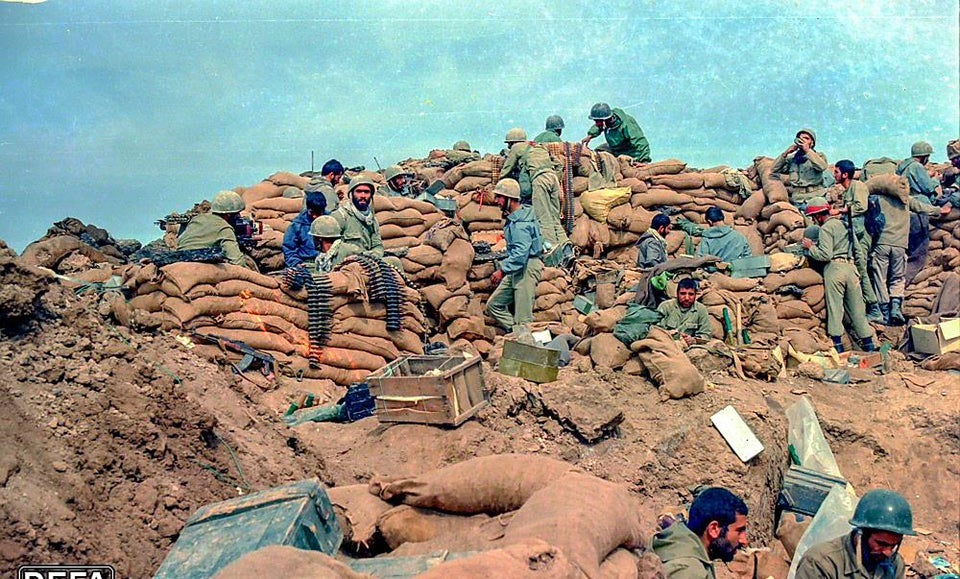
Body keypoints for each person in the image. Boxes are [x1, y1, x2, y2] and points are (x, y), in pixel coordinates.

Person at [802, 197, 876, 352]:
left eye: (814, 217)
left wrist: (810, 248)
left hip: (835, 269)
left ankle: (838, 347)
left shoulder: (826, 228)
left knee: (835, 309)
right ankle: (869, 345)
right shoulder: (845, 225)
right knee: (858, 310)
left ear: (818, 216)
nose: (814, 221)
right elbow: (858, 251)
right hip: (851, 269)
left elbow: (825, 255)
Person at [870, 183, 947, 325]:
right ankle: (896, 309)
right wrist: (939, 210)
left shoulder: (878, 199)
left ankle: (884, 313)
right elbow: (922, 208)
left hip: (882, 244)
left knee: (880, 278)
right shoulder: (906, 200)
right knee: (898, 277)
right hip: (900, 245)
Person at [795, 489, 914, 579]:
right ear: (860, 535)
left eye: (893, 546)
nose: (887, 552)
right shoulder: (820, 563)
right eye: (881, 543)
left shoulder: (894, 565)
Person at [499, 127, 571, 263]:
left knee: (543, 219)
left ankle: (553, 256)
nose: (509, 147)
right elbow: (558, 164)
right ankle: (567, 250)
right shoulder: (538, 146)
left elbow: (506, 169)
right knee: (554, 218)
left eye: (509, 144)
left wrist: (499, 186)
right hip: (553, 179)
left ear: (513, 142)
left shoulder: (516, 148)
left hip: (539, 180)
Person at [485, 179, 544, 333]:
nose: (496, 201)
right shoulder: (515, 218)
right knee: (493, 305)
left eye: (499, 197)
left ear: (510, 199)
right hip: (517, 267)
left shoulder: (521, 223)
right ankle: (516, 334)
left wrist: (502, 270)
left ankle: (524, 339)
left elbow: (521, 253)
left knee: (523, 319)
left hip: (526, 268)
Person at [652, 487, 749, 579]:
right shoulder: (689, 571)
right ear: (713, 529)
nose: (744, 541)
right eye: (739, 531)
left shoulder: (685, 552)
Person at [834, 160, 883, 323]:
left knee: (861, 270)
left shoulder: (858, 186)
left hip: (861, 236)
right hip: (854, 235)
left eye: (836, 172)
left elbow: (861, 207)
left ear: (845, 174)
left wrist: (840, 211)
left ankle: (875, 309)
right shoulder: (848, 190)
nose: (835, 175)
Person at [177, 190, 253, 269]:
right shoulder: (224, 227)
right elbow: (237, 261)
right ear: (228, 215)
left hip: (180, 259)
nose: (239, 217)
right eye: (237, 214)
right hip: (199, 262)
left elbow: (180, 240)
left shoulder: (197, 219)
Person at [330, 176, 385, 261]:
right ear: (351, 194)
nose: (363, 196)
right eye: (358, 191)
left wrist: (374, 254)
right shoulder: (341, 216)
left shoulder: (372, 220)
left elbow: (377, 245)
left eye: (366, 192)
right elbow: (331, 247)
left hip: (367, 263)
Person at [771, 128, 828, 208]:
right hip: (798, 199)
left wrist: (807, 150)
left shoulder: (819, 156)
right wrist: (785, 153)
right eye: (800, 138)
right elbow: (774, 169)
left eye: (806, 138)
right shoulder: (792, 159)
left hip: (816, 197)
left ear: (812, 143)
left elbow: (822, 166)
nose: (802, 140)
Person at [581, 103, 651, 163]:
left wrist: (644, 161)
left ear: (605, 120)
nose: (596, 124)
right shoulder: (606, 122)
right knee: (597, 153)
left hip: (629, 151)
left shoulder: (627, 125)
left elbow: (641, 143)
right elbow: (598, 126)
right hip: (613, 148)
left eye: (598, 121)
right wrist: (590, 135)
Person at [656, 278, 712, 346]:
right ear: (677, 294)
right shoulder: (665, 306)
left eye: (691, 294)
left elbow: (706, 335)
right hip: (666, 344)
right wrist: (672, 334)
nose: (687, 298)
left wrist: (693, 340)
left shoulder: (701, 309)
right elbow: (656, 331)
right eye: (683, 294)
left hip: (689, 346)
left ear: (695, 295)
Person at [281, 191, 327, 269]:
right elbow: (289, 248)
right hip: (305, 263)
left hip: (327, 262)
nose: (314, 216)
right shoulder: (297, 225)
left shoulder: (330, 221)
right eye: (311, 212)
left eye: (318, 213)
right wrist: (296, 263)